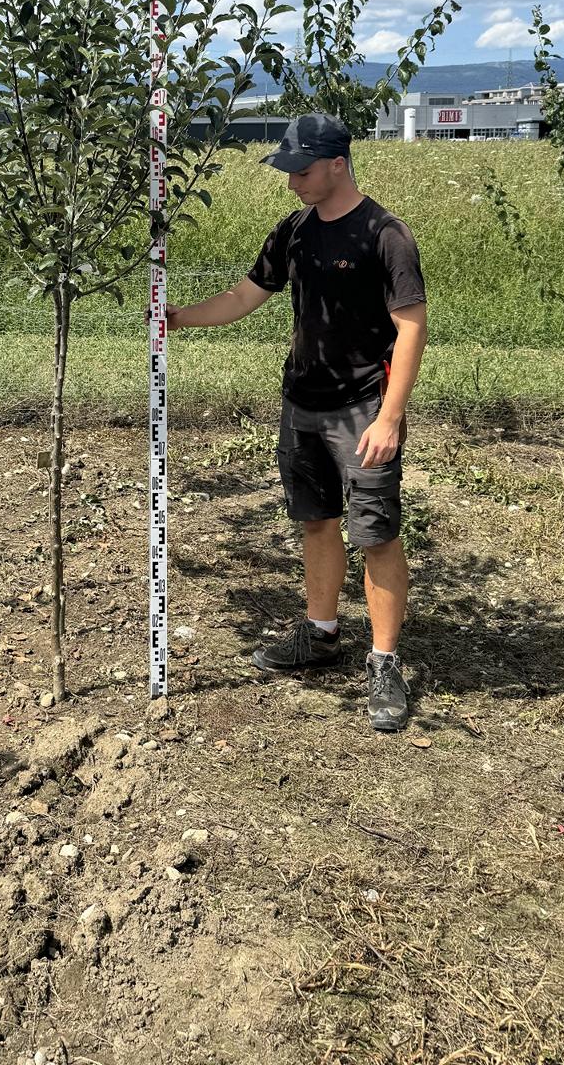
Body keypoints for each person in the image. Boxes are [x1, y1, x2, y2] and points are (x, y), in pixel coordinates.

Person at [167, 113, 428, 732]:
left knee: (376, 535)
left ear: (338, 162)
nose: (292, 184)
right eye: (287, 171)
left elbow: (412, 326)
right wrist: (178, 319)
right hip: (302, 405)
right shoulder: (295, 232)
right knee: (317, 523)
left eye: (302, 171)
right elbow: (243, 296)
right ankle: (320, 634)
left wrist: (390, 417)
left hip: (365, 408)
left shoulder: (384, 235)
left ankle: (385, 664)